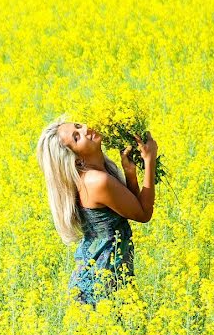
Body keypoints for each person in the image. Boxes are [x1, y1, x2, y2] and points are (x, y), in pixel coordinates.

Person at [36, 113, 158, 307]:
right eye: (77, 137)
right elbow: (143, 214)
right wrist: (150, 160)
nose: (85, 129)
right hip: (102, 285)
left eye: (78, 125)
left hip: (106, 276)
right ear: (75, 159)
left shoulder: (94, 176)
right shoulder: (96, 181)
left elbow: (131, 209)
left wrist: (130, 174)